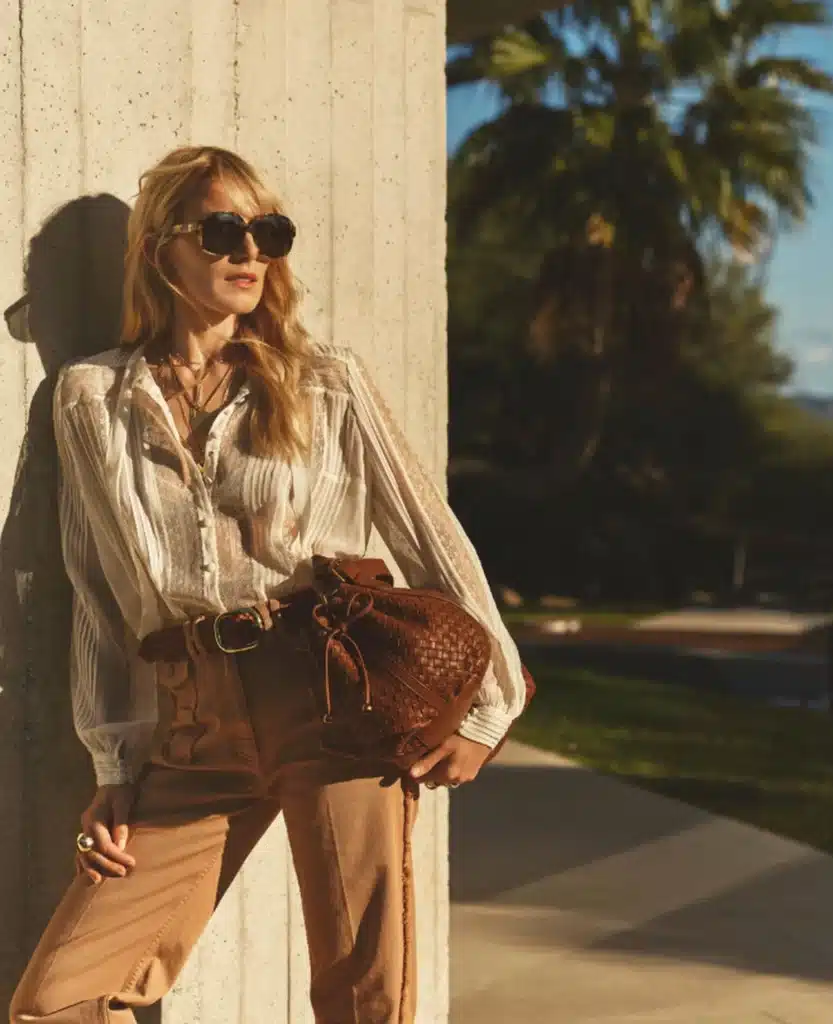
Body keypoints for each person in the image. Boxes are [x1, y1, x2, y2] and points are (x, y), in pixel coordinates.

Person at [10, 145, 527, 1024]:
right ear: (160, 249)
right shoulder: (89, 396)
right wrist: (117, 759)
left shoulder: (325, 380)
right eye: (223, 231)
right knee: (57, 999)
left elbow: (432, 541)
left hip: (331, 696)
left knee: (363, 997)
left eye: (269, 232)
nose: (252, 252)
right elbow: (98, 591)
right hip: (193, 720)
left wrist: (491, 705)